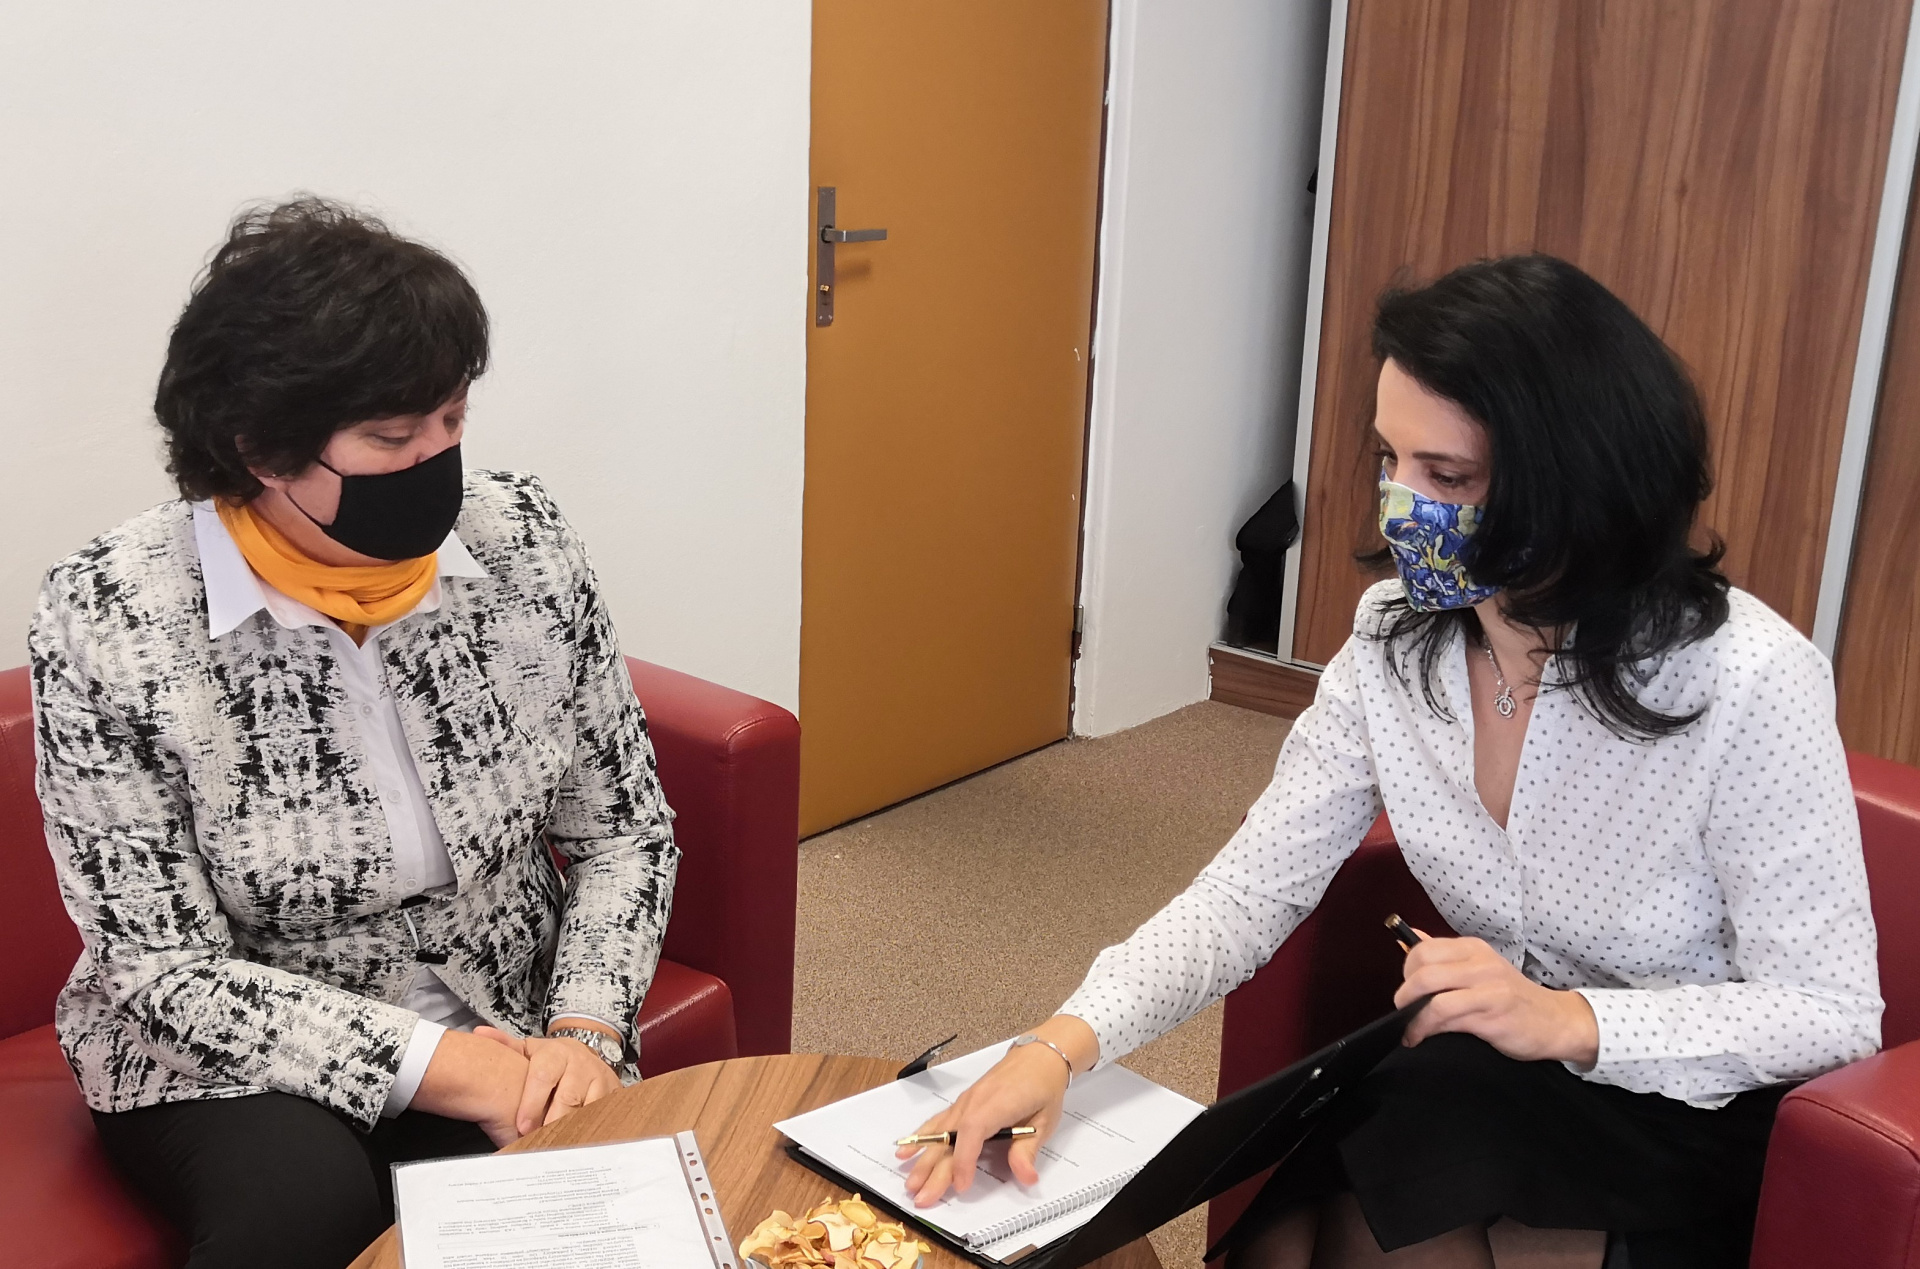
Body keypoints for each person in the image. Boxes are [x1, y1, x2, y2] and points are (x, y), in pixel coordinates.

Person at [898, 255, 1881, 1269]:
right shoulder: (1391, 638)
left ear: (1575, 481)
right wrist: (1061, 1043)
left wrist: (1568, 1019)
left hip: (1685, 1101)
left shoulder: (1748, 679)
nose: (1399, 506)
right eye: (1389, 460)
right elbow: (1247, 893)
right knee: (1285, 1241)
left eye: (1445, 477)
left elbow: (1830, 1013)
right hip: (1487, 1073)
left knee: (1369, 1223)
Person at [30, 198, 679, 1269]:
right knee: (300, 1214)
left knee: (589, 1217)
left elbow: (623, 833)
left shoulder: (520, 539)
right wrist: (455, 1069)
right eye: (391, 437)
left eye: (452, 420)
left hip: (508, 1005)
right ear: (259, 448)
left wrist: (584, 1030)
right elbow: (159, 966)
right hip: (237, 1040)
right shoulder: (113, 615)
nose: (437, 459)